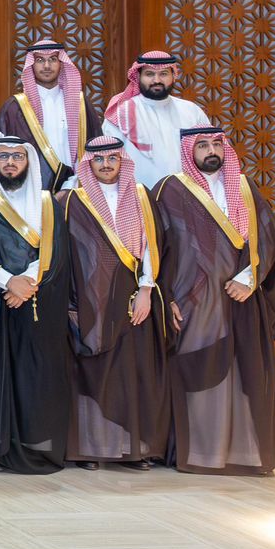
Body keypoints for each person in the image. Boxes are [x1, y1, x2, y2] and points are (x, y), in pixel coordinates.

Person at [153, 127, 275, 475]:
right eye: (202, 145)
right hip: (192, 303)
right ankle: (199, 453)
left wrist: (250, 277)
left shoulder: (244, 186)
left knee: (243, 374)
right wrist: (166, 298)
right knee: (197, 372)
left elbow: (269, 235)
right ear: (188, 151)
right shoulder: (170, 190)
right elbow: (155, 248)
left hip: (240, 299)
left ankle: (243, 453)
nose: (211, 151)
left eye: (216, 144)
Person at [0, 138, 72, 474]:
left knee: (33, 379)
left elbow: (57, 250)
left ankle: (33, 448)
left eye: (17, 156)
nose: (10, 162)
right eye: (3, 156)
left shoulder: (48, 204)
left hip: (38, 303)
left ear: (29, 161)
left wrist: (27, 282)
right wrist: (8, 281)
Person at [62, 136, 168, 470]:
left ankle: (132, 450)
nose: (106, 165)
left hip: (132, 297)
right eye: (98, 160)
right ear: (88, 164)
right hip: (87, 299)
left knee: (131, 375)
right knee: (91, 374)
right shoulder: (70, 200)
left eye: (112, 159)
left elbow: (152, 246)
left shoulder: (140, 195)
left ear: (122, 161)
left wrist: (146, 290)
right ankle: (89, 450)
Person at [0, 40, 101, 191]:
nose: (46, 66)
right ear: (32, 65)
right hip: (32, 189)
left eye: (53, 59)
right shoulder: (15, 107)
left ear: (61, 64)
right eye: (40, 60)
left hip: (75, 188)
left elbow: (96, 148)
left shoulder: (80, 103)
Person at [103, 51, 211, 188]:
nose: (157, 80)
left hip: (186, 194)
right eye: (149, 74)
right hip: (138, 195)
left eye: (163, 74)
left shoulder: (191, 111)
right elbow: (109, 159)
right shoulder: (121, 113)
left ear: (174, 76)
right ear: (138, 77)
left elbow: (208, 152)